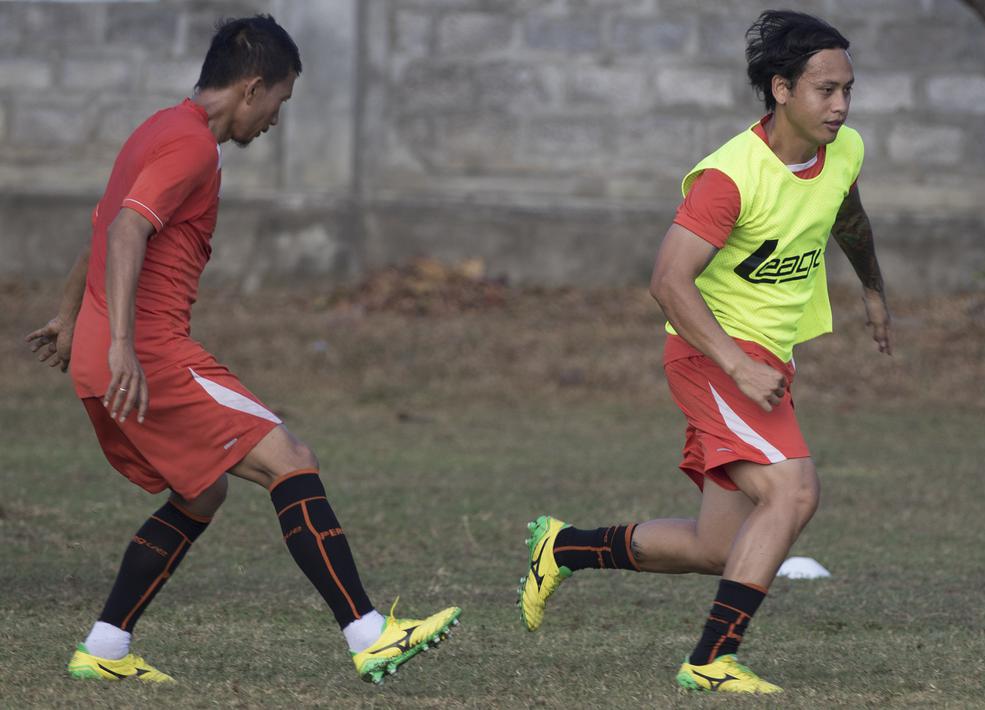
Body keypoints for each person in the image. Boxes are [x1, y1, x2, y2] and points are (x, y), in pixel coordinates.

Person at [25, 15, 458, 685]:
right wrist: (121, 346)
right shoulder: (191, 146)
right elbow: (127, 233)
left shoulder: (155, 129)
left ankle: (105, 648)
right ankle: (369, 633)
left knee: (202, 497)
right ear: (253, 88)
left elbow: (104, 223)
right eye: (279, 102)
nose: (276, 121)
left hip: (109, 351)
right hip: (148, 353)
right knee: (290, 460)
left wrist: (66, 317)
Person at [517, 10, 891, 693]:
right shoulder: (730, 177)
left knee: (716, 547)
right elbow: (666, 281)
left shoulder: (844, 150)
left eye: (847, 90)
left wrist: (871, 290)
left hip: (765, 362)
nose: (840, 105)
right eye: (824, 90)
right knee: (794, 490)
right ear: (780, 89)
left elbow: (847, 212)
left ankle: (562, 547)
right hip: (710, 357)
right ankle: (710, 659)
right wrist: (735, 363)